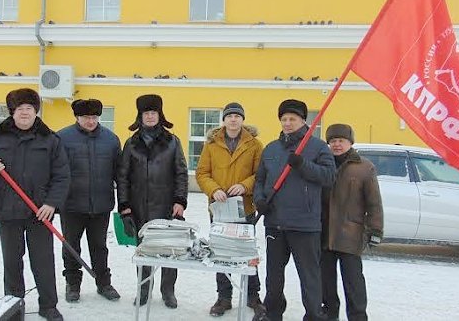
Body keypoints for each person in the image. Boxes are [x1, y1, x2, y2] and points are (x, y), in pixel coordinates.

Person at [0, 88, 69, 321]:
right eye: (20, 109)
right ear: (12, 112)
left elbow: (62, 175)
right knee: (12, 262)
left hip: (39, 212)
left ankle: (48, 305)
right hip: (7, 209)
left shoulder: (51, 140)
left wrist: (52, 204)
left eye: (29, 109)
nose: (25, 113)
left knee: (43, 261)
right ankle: (13, 307)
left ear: (36, 112)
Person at [253, 99, 336, 321]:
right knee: (274, 276)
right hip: (275, 222)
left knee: (309, 276)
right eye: (284, 119)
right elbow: (260, 180)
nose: (287, 123)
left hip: (305, 224)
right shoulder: (271, 148)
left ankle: (314, 314)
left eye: (292, 119)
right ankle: (272, 313)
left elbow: (329, 177)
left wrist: (303, 165)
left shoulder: (318, 148)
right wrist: (260, 200)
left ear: (303, 120)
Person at [117, 94, 188, 309]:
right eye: (145, 113)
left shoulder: (172, 142)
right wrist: (125, 206)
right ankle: (144, 289)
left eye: (153, 113)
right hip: (139, 208)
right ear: (140, 116)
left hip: (167, 206)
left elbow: (181, 173)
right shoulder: (131, 143)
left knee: (170, 251)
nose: (149, 116)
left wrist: (180, 200)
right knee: (143, 250)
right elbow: (122, 177)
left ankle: (168, 291)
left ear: (160, 115)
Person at [195, 102, 265, 317]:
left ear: (243, 120)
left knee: (247, 252)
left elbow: (260, 174)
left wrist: (245, 185)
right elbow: (202, 173)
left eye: (237, 116)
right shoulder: (211, 144)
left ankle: (253, 296)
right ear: (224, 120)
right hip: (219, 209)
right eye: (229, 116)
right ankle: (223, 298)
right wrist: (214, 189)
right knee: (222, 253)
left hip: (244, 208)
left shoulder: (254, 145)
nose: (233, 119)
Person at [57, 99, 122, 303]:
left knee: (99, 247)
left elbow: (119, 173)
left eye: (94, 117)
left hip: (101, 204)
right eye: (86, 117)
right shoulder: (62, 138)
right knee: (71, 246)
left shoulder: (111, 140)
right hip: (72, 205)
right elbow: (55, 171)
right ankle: (73, 284)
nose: (91, 121)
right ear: (77, 117)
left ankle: (104, 283)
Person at [321, 124, 383, 321]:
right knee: (326, 283)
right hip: (324, 234)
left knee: (353, 282)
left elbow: (374, 202)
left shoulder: (364, 167)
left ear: (350, 142)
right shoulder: (323, 164)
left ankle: (357, 316)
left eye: (341, 140)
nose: (337, 144)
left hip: (351, 233)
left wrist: (375, 230)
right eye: (333, 141)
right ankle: (330, 315)